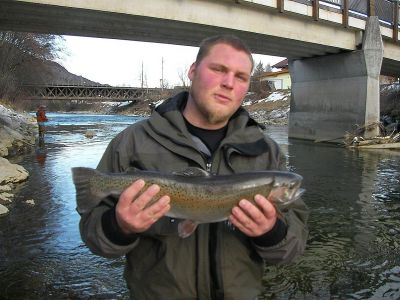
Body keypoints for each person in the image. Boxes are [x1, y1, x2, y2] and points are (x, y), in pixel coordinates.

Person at [78, 35, 309, 300]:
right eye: (218, 69)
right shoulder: (131, 142)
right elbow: (93, 237)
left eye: (241, 77)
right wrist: (119, 225)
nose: (228, 83)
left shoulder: (267, 151)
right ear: (192, 71)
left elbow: (293, 248)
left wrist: (271, 231)